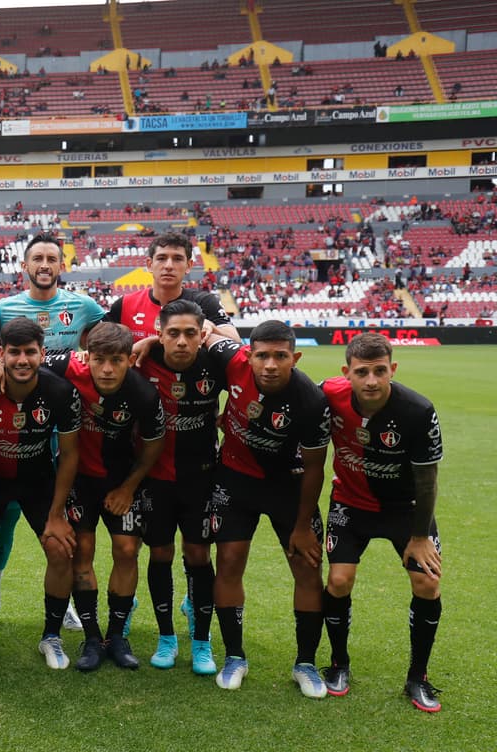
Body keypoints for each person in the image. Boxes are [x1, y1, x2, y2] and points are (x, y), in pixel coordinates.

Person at [0, 233, 108, 629]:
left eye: (51, 258)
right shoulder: (2, 309)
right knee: (2, 525)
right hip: (16, 432)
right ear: (24, 265)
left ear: (60, 266)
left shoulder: (84, 306)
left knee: (60, 524)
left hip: (67, 430)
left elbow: (105, 343)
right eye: (36, 258)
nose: (44, 264)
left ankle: (65, 602)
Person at [204, 320, 331, 697]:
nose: (270, 365)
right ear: (249, 354)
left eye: (280, 356)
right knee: (228, 563)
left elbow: (314, 468)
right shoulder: (230, 359)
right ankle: (234, 657)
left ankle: (305, 663)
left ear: (296, 357)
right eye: (262, 355)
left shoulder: (311, 401)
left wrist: (304, 524)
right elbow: (205, 333)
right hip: (235, 479)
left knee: (307, 569)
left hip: (289, 487)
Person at [319, 332, 444, 712]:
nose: (371, 380)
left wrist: (420, 536)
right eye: (362, 372)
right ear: (347, 373)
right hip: (350, 504)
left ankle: (417, 677)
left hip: (405, 509)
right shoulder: (328, 394)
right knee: (338, 581)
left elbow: (427, 482)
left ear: (393, 369)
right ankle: (339, 664)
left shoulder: (418, 411)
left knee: (427, 583)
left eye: (379, 371)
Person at [0, 318, 81, 670]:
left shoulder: (60, 391)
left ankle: (52, 636)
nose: (23, 360)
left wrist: (57, 515)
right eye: (14, 352)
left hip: (39, 480)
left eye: (30, 352)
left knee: (61, 550)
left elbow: (70, 455)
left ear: (43, 354)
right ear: (1, 355)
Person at [48, 322, 165, 671]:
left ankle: (116, 636)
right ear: (87, 357)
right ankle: (91, 637)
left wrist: (128, 488)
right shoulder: (67, 366)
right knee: (81, 552)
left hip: (121, 481)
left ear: (130, 359)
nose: (108, 369)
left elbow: (153, 444)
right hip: (77, 480)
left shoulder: (143, 393)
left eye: (117, 360)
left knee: (127, 550)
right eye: (99, 360)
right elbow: (24, 359)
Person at [133, 300, 225, 674]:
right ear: (159, 333)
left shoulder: (217, 364)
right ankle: (166, 637)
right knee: (160, 556)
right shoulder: (141, 362)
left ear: (202, 334)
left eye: (190, 333)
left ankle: (201, 642)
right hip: (154, 480)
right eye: (173, 333)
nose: (182, 341)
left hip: (200, 478)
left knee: (199, 557)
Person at [105, 231, 237, 348]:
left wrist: (212, 328)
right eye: (161, 258)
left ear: (188, 265)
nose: (168, 266)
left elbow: (237, 343)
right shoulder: (125, 305)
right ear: (150, 265)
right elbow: (98, 343)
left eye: (177, 259)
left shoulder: (205, 303)